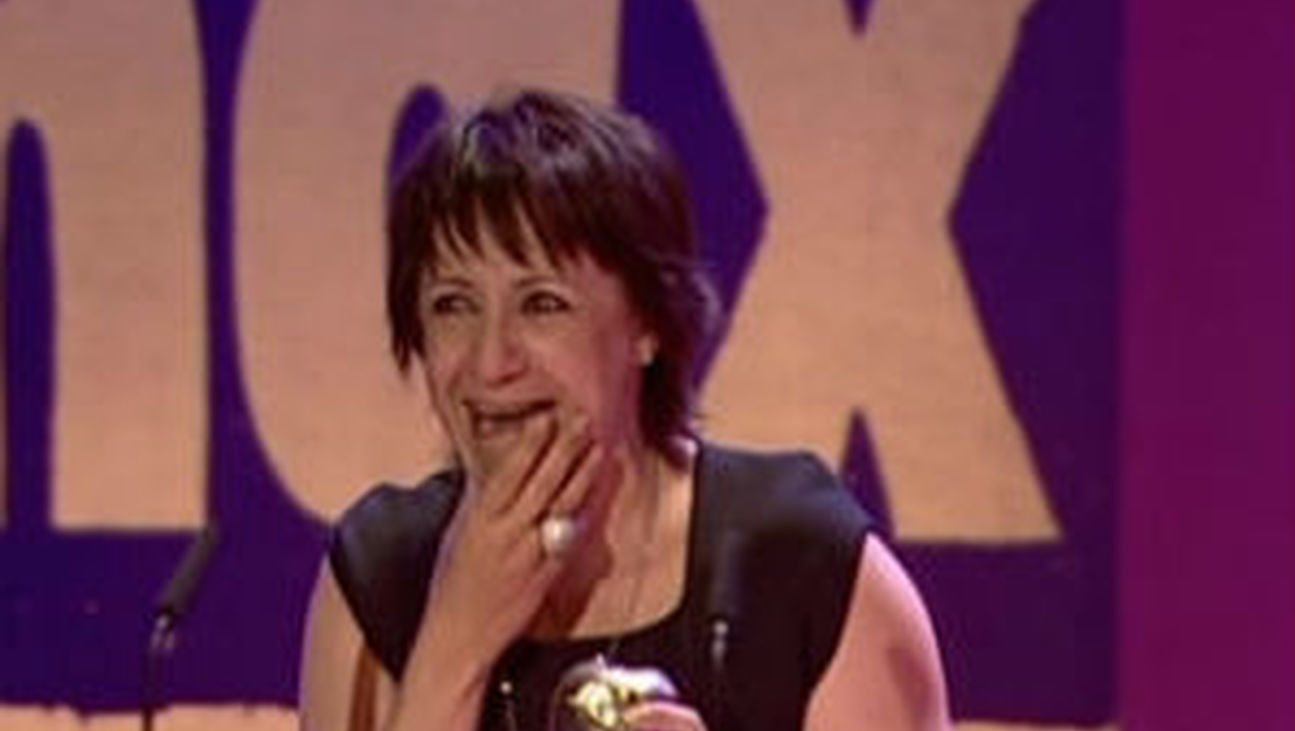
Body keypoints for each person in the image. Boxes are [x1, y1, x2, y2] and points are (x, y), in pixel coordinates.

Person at [298, 88, 950, 731]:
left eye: (542, 303)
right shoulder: (378, 573)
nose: (490, 362)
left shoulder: (805, 567)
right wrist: (454, 645)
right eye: (453, 305)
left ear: (647, 323)